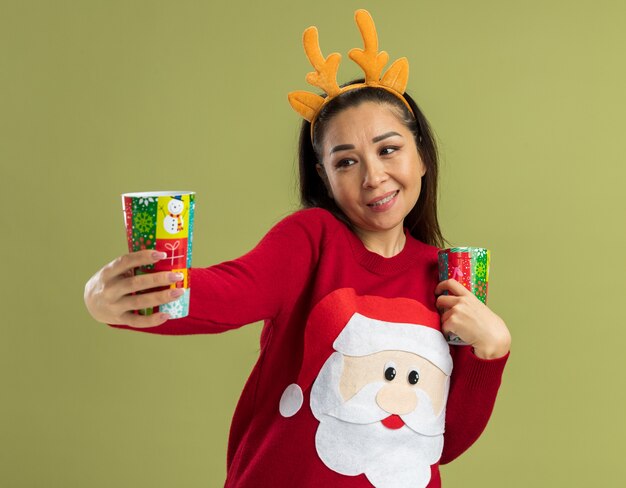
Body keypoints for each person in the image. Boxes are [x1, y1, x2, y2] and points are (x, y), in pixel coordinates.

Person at [84, 9, 511, 488]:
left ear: (423, 157)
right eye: (346, 161)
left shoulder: (448, 275)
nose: (373, 177)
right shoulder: (312, 239)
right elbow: (227, 295)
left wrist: (490, 352)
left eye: (388, 149)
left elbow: (441, 442)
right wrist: (118, 299)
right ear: (325, 179)